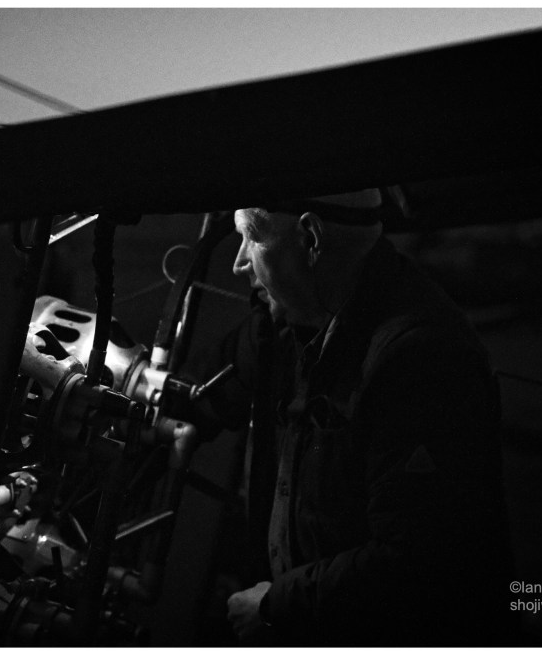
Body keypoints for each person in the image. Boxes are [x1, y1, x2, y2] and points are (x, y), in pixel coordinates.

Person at [204, 188, 516, 646]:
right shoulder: (298, 315)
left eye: (251, 237)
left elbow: (417, 558)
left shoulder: (420, 358)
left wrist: (278, 604)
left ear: (311, 239)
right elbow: (212, 384)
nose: (239, 262)